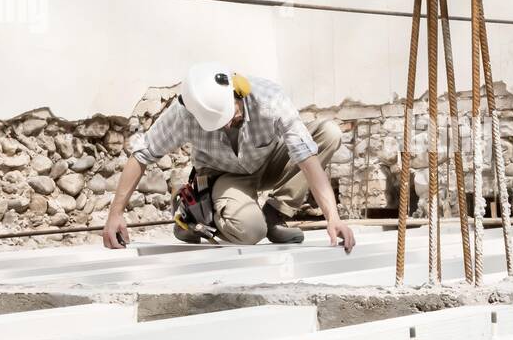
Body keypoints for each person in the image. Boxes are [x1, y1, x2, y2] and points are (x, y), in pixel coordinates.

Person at [102, 62, 356, 252]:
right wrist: (115, 214)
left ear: (239, 92)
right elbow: (142, 154)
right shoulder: (184, 114)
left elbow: (305, 156)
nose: (226, 127)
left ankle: (275, 213)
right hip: (223, 174)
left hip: (268, 160)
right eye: (217, 125)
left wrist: (333, 217)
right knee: (250, 232)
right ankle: (193, 212)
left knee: (329, 134)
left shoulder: (270, 100)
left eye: (230, 118)